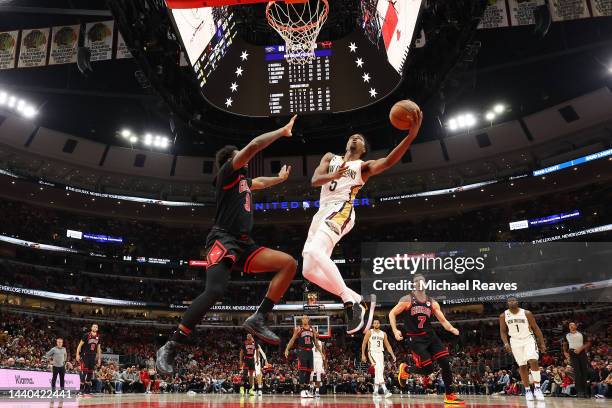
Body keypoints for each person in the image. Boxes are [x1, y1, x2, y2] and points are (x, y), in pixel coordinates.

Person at [156, 116, 299, 374]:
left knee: (289, 264)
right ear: (232, 160)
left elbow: (260, 183)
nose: (244, 158)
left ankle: (259, 317)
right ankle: (171, 345)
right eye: (239, 156)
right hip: (223, 238)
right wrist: (282, 131)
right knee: (215, 291)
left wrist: (278, 179)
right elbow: (254, 145)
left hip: (245, 244)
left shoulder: (243, 182)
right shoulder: (227, 174)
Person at [302, 107, 423, 334]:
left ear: (363, 148)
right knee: (308, 270)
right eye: (352, 136)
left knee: (317, 252)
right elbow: (315, 180)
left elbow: (387, 162)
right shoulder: (330, 158)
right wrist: (333, 175)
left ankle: (350, 304)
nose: (355, 137)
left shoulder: (362, 167)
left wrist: (410, 136)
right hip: (321, 212)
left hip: (342, 208)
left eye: (360, 138)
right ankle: (358, 298)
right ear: (347, 143)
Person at [389, 274, 464, 405]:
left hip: (431, 337)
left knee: (445, 362)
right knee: (428, 369)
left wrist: (452, 328)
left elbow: (443, 320)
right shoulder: (407, 299)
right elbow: (392, 313)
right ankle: (406, 369)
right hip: (416, 339)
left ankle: (449, 395)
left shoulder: (432, 302)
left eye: (422, 281)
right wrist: (395, 330)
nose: (419, 283)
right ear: (413, 284)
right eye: (417, 281)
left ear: (425, 284)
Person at [499, 296, 546, 401]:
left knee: (533, 360)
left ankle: (538, 388)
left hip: (528, 338)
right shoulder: (503, 315)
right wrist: (506, 344)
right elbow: (502, 331)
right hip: (515, 341)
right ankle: (528, 390)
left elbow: (536, 328)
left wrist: (542, 343)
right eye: (509, 301)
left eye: (513, 300)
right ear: (507, 303)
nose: (512, 302)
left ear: (517, 302)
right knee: (522, 366)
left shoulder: (527, 313)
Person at [285, 315, 324, 398]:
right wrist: (287, 349)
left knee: (309, 372)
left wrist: (321, 353)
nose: (304, 319)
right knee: (302, 370)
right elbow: (292, 339)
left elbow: (316, 343)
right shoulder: (298, 329)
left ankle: (306, 390)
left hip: (310, 351)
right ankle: (302, 390)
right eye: (303, 318)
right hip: (302, 350)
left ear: (308, 319)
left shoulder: (312, 329)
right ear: (301, 320)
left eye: (306, 318)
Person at [361, 319, 396, 398]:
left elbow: (388, 345)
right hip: (372, 353)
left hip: (380, 353)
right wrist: (363, 354)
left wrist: (393, 355)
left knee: (379, 371)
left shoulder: (383, 333)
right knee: (378, 368)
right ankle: (385, 390)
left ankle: (375, 391)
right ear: (373, 324)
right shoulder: (370, 332)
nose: (376, 324)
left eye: (377, 323)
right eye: (375, 323)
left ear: (379, 324)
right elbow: (364, 343)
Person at [563, 322, 591, 398]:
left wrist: (580, 349)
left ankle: (585, 391)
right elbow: (565, 344)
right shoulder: (566, 335)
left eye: (572, 325)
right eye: (569, 325)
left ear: (576, 326)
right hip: (572, 353)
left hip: (581, 353)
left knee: (584, 372)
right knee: (577, 373)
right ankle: (579, 392)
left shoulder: (581, 334)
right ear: (569, 327)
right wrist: (565, 352)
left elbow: (588, 343)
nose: (571, 326)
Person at [75, 323, 101, 394]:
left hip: (93, 356)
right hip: (85, 355)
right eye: (94, 327)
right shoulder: (86, 335)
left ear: (97, 329)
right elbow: (80, 345)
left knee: (90, 372)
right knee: (84, 371)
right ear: (91, 328)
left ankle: (87, 389)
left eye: (96, 327)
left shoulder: (98, 336)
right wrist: (77, 354)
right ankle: (81, 388)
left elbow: (98, 348)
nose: (95, 328)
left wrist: (99, 358)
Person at [311, 333, 326, 397]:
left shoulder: (321, 343)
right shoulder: (310, 342)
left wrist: (324, 363)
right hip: (312, 359)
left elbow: (324, 353)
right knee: (311, 375)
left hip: (319, 359)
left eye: (317, 334)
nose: (316, 334)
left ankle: (317, 391)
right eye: (315, 334)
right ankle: (311, 389)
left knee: (318, 376)